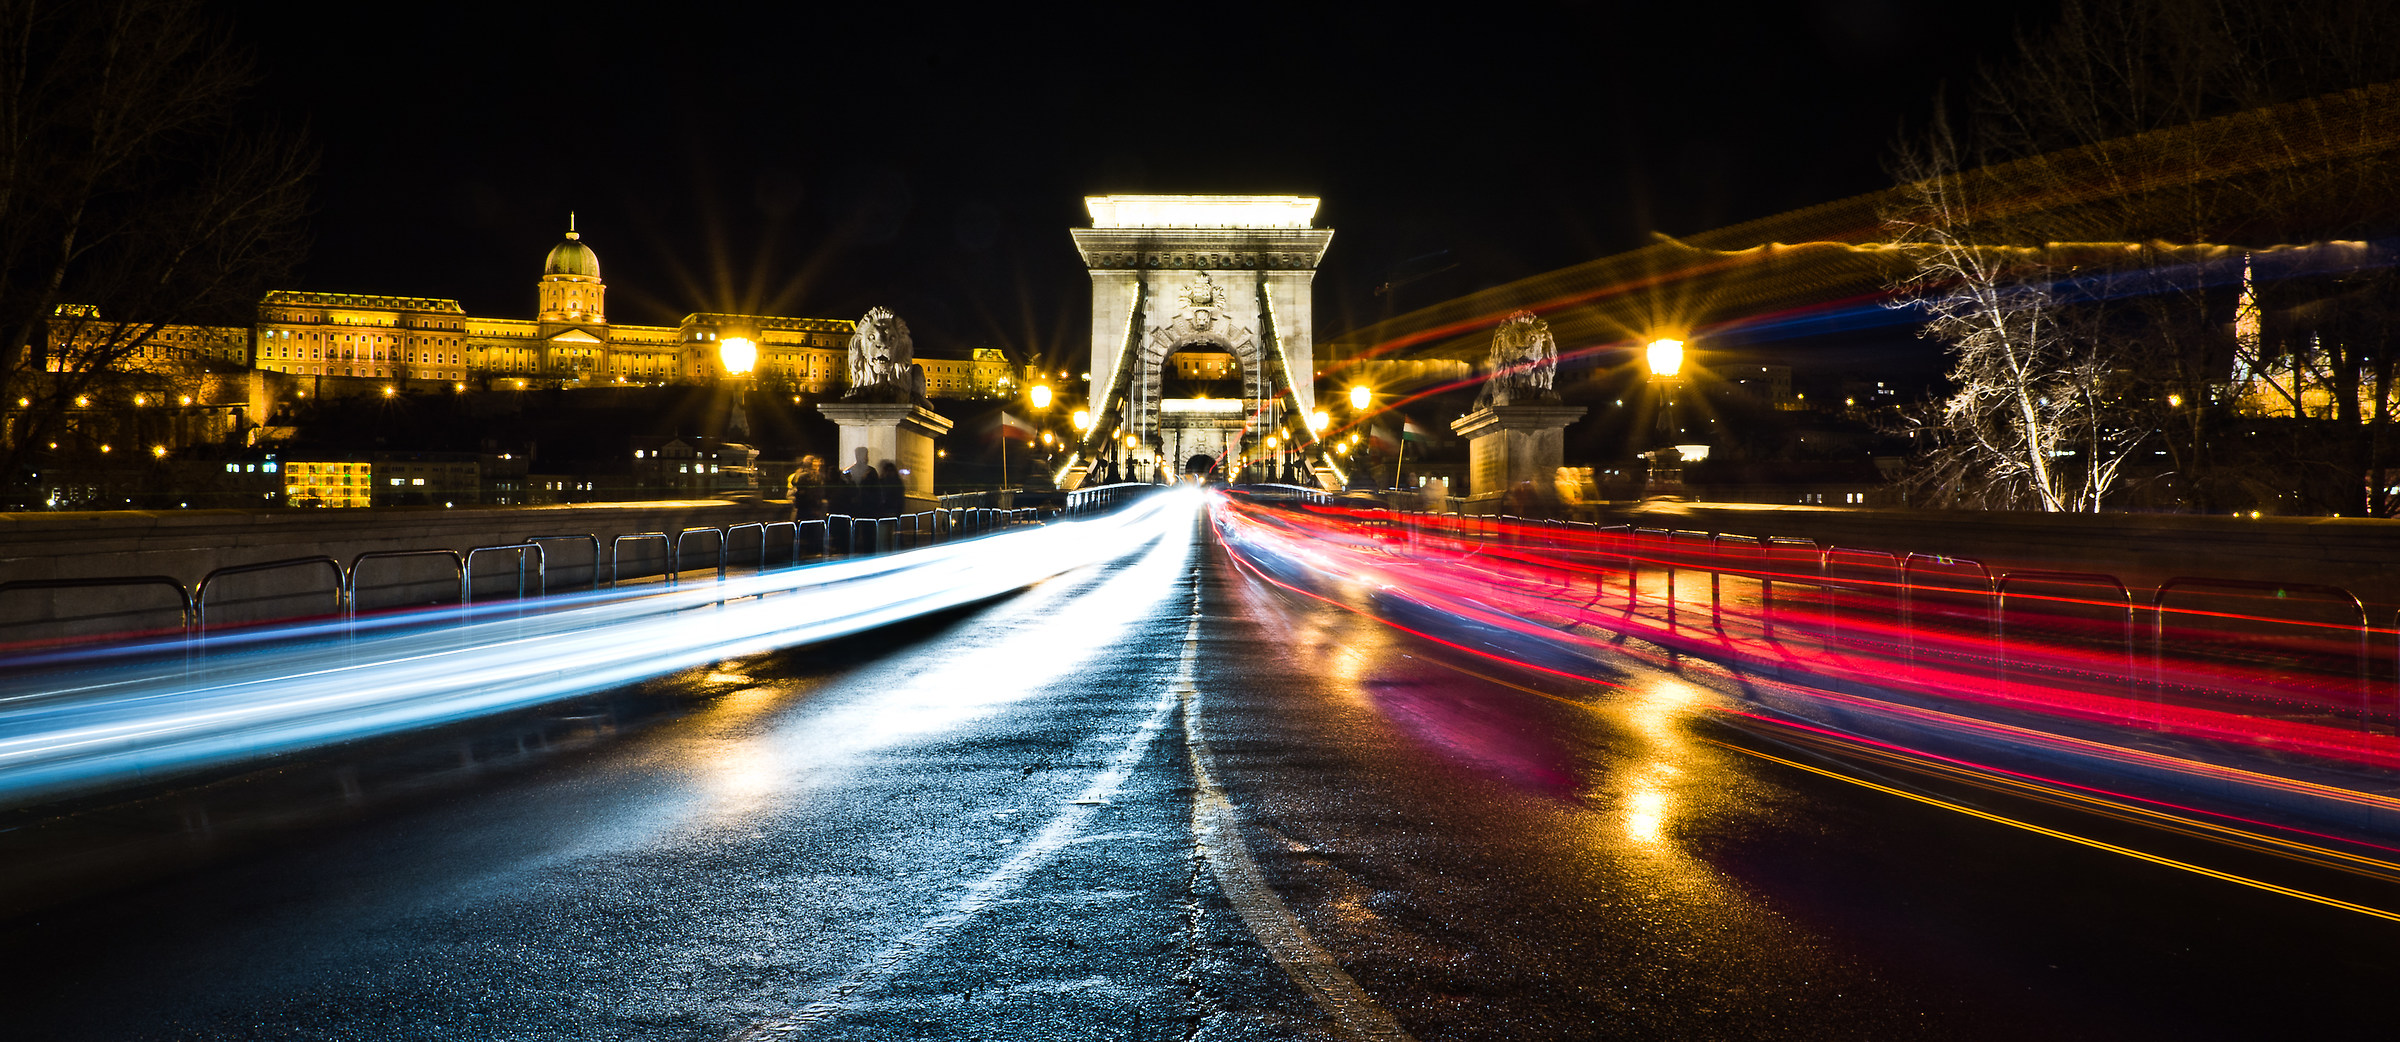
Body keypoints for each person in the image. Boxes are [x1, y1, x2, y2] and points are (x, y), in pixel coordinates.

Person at [787, 455, 826, 523]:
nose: (818, 464)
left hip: (810, 508)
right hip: (806, 507)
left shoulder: (817, 476)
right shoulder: (803, 475)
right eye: (815, 462)